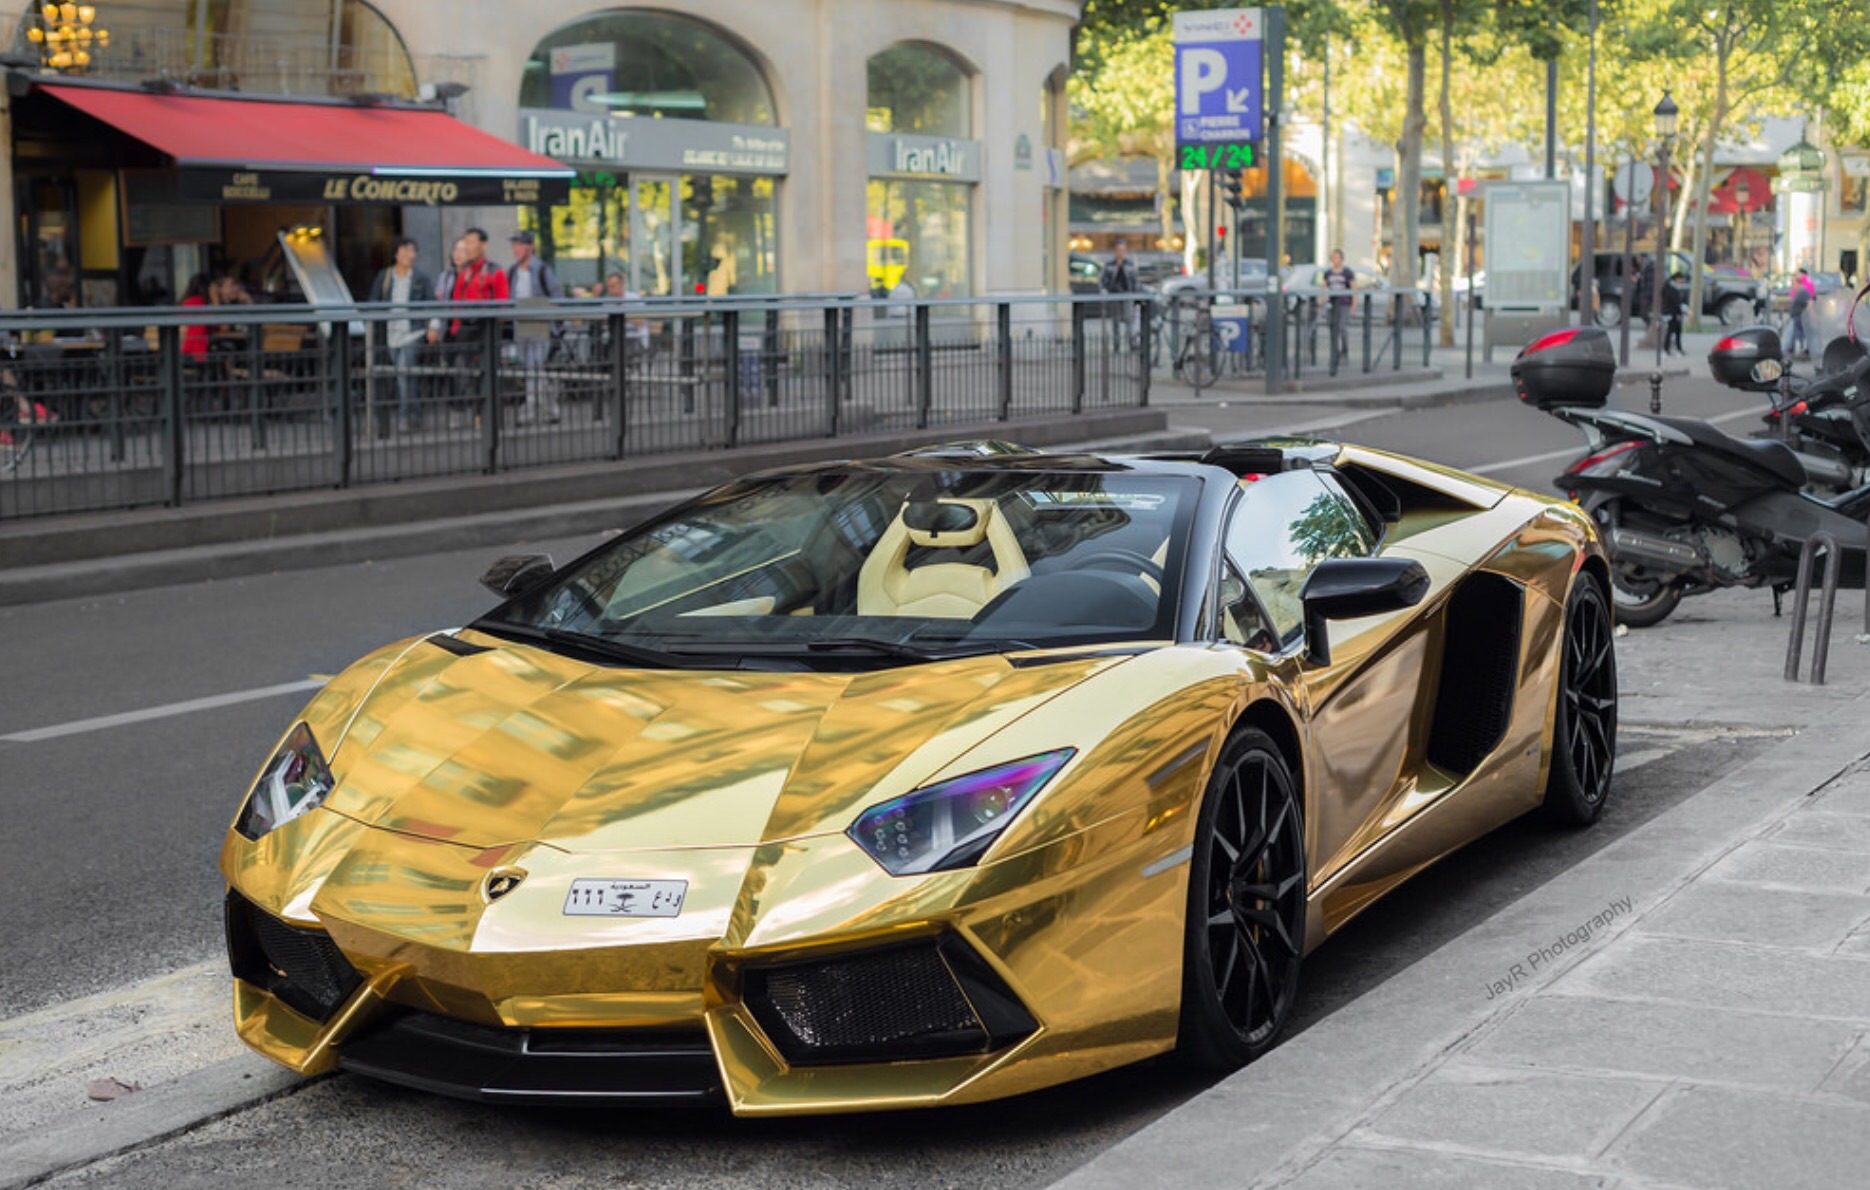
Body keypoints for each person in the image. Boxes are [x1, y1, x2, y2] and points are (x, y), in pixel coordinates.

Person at [368, 237, 437, 433]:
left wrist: (433, 325)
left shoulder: (421, 278)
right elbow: (373, 300)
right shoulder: (385, 276)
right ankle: (414, 414)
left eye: (412, 251)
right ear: (396, 254)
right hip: (391, 334)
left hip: (412, 332)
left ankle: (406, 416)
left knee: (403, 373)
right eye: (405, 251)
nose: (410, 255)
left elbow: (432, 302)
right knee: (405, 376)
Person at [506, 229, 564, 425]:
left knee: (534, 367)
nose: (516, 249)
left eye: (520, 244)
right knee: (533, 370)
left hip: (540, 325)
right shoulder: (513, 271)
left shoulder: (542, 269)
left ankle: (528, 411)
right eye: (514, 245)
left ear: (530, 247)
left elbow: (557, 299)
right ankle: (551, 408)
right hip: (520, 325)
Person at [1099, 239, 1139, 352]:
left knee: (1129, 320)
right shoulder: (1109, 265)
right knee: (1115, 322)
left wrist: (1135, 295)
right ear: (1115, 251)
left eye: (1123, 250)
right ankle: (1117, 345)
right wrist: (1104, 290)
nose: (1120, 253)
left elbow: (1134, 281)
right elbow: (1102, 280)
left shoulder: (1129, 265)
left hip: (1127, 295)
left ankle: (1131, 343)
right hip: (1114, 295)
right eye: (1119, 250)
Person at [1324, 248, 1355, 373]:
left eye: (1337, 257)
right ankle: (1334, 353)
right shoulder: (1328, 273)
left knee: (1342, 327)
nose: (1335, 260)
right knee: (1332, 328)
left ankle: (1344, 351)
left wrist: (1354, 304)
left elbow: (1354, 288)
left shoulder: (1347, 272)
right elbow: (1324, 287)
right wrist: (1321, 301)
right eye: (1333, 257)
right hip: (1332, 303)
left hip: (1344, 303)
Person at [1788, 266, 1815, 358]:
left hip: (1800, 317)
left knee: (1799, 334)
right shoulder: (1798, 291)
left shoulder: (1803, 291)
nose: (1791, 285)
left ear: (1798, 283)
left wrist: (1812, 316)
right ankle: (1794, 349)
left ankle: (1802, 350)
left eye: (1793, 283)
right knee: (1796, 334)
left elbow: (1810, 302)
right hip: (1796, 317)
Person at [1662, 271, 1686, 356]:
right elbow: (1677, 302)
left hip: (1674, 313)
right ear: (1677, 279)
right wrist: (1686, 310)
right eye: (1681, 279)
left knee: (1676, 332)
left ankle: (1676, 348)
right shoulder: (1672, 289)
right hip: (1672, 314)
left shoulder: (1672, 287)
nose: (1682, 281)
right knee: (1671, 332)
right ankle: (1668, 348)